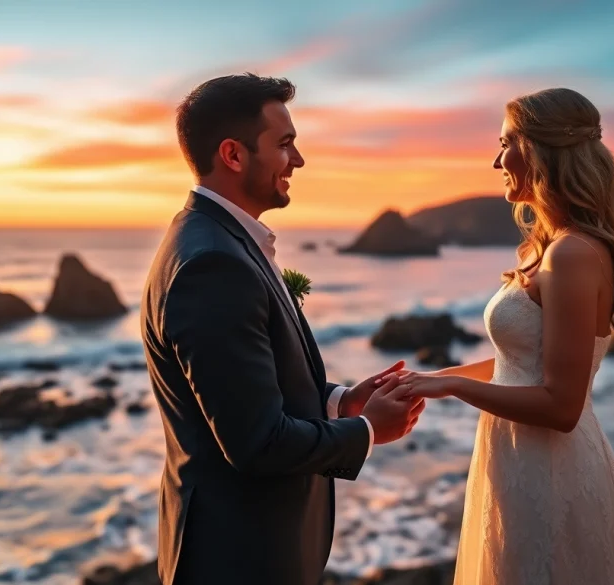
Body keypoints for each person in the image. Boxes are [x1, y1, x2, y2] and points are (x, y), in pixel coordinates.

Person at [140, 73, 425, 585]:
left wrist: (340, 402)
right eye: (285, 144)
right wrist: (367, 432)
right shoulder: (213, 264)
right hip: (235, 559)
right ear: (233, 154)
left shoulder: (221, 240)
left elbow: (251, 392)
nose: (298, 160)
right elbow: (256, 442)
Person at [398, 88, 614, 584]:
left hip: (550, 467)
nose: (496, 160)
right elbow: (518, 366)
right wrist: (434, 377)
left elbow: (562, 408)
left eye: (506, 143)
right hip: (517, 456)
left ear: (541, 150)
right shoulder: (548, 250)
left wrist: (454, 388)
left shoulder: (572, 254)